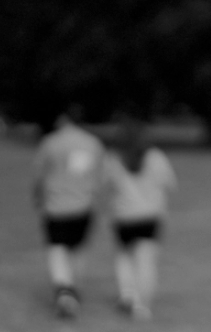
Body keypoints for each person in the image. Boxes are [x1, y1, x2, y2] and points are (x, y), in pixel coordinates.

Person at [103, 116, 177, 321]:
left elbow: (106, 184)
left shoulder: (114, 157)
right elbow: (170, 184)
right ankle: (142, 306)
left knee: (124, 257)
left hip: (123, 217)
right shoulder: (156, 157)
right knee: (146, 261)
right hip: (150, 216)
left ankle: (127, 294)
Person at [31, 111, 104, 318]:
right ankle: (74, 288)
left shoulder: (51, 142)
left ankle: (64, 290)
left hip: (55, 205)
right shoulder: (93, 143)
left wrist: (37, 196)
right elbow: (99, 176)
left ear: (64, 120)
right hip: (83, 205)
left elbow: (39, 173)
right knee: (78, 249)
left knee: (57, 249)